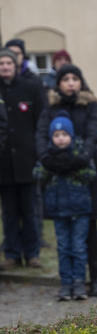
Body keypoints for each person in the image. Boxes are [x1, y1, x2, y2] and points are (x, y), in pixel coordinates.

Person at [36, 65, 97, 296]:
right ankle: (69, 280)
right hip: (57, 173)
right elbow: (40, 135)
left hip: (86, 172)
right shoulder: (50, 108)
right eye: (65, 79)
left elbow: (92, 134)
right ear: (58, 84)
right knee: (65, 237)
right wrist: (48, 159)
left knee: (90, 229)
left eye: (74, 78)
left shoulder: (89, 105)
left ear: (80, 82)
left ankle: (94, 277)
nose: (70, 83)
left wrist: (79, 159)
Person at [33, 112, 93, 301]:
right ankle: (65, 284)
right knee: (63, 248)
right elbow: (37, 174)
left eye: (64, 135)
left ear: (71, 136)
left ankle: (79, 282)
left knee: (78, 248)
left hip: (79, 209)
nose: (60, 139)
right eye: (56, 135)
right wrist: (50, 166)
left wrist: (73, 166)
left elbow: (91, 174)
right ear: (51, 138)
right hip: (58, 210)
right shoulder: (47, 157)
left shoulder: (80, 153)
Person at [0, 49, 38, 270]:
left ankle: (32, 253)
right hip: (4, 164)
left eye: (8, 63)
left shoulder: (30, 88)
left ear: (16, 66)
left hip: (27, 161)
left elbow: (40, 121)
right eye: (1, 63)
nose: (5, 67)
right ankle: (12, 253)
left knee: (30, 210)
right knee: (9, 212)